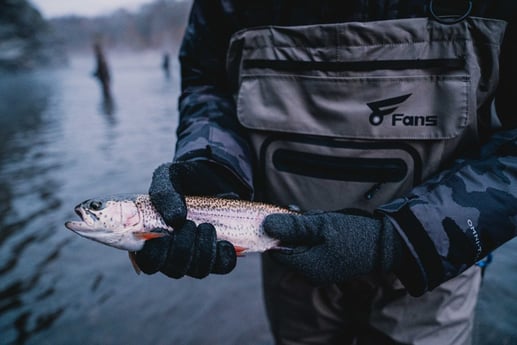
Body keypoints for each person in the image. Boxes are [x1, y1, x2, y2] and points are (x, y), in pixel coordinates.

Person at [134, 1, 517, 344]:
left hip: (430, 269)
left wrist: (396, 241)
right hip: (287, 257)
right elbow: (210, 83)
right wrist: (212, 166)